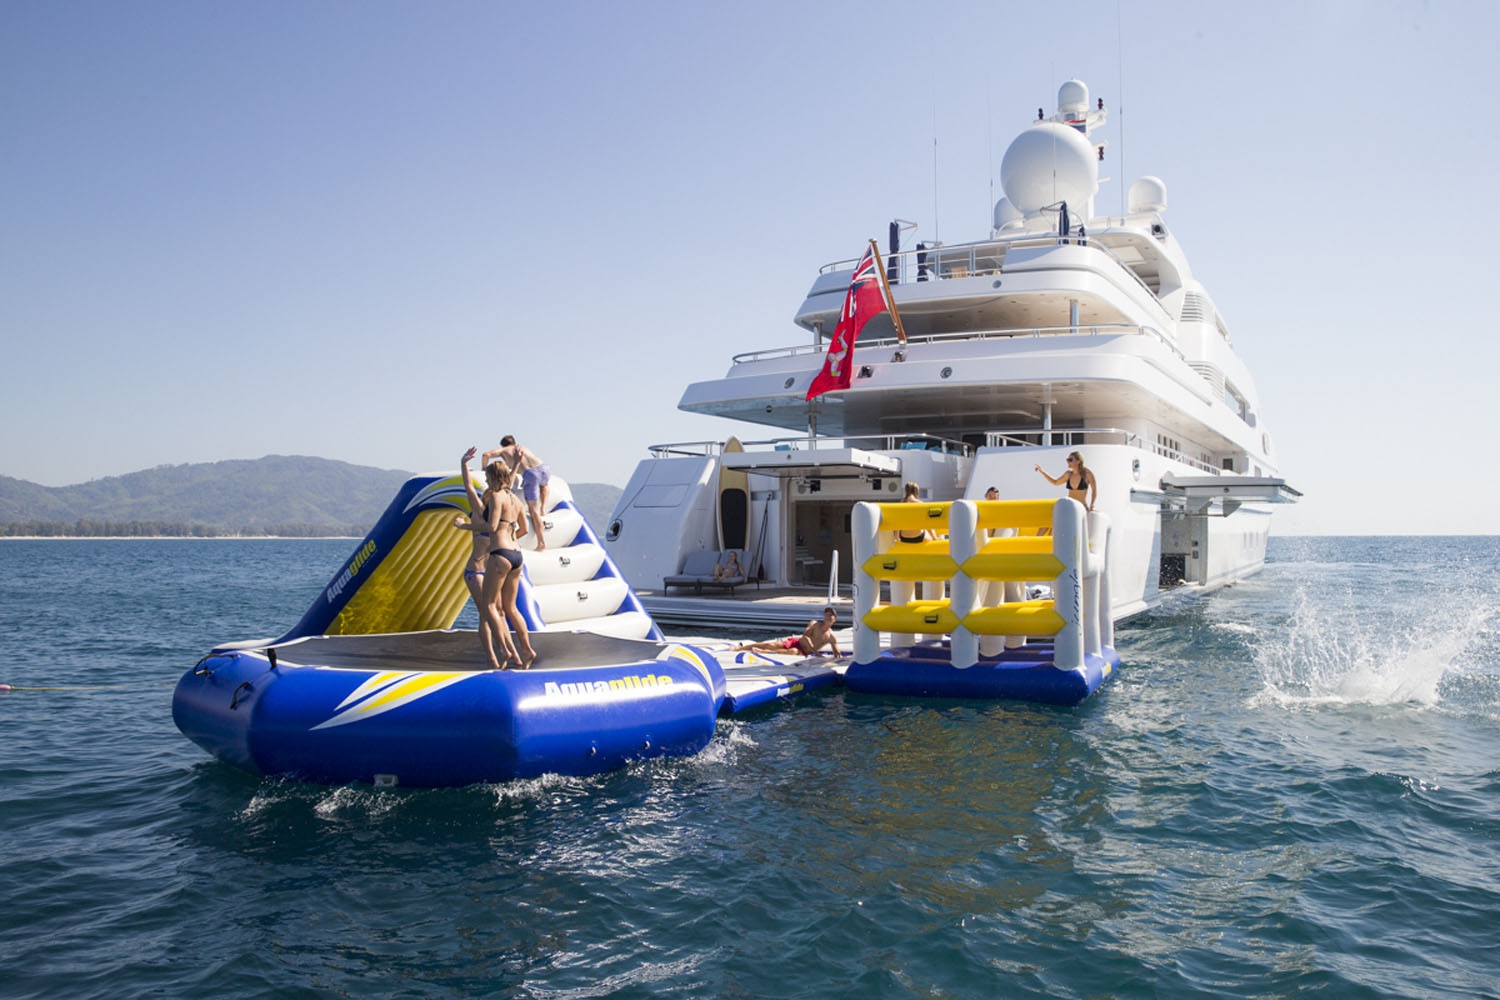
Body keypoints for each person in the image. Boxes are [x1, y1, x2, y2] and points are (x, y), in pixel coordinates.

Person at [460, 448, 537, 669]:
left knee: (489, 608)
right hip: (515, 555)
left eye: (488, 481)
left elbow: (492, 526)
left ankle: (502, 652)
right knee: (507, 609)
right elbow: (523, 527)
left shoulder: (494, 501)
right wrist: (516, 464)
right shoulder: (511, 501)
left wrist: (464, 526)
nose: (486, 487)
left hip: (497, 558)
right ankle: (524, 650)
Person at [483, 435, 551, 552]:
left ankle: (541, 543)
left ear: (503, 445)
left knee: (533, 511)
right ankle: (543, 508)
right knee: (544, 486)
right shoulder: (522, 447)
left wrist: (483, 468)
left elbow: (486, 455)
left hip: (531, 475)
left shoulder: (504, 450)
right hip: (544, 468)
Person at [732, 607, 842, 657]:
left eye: (830, 615)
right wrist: (816, 652)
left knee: (793, 651)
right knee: (771, 645)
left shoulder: (831, 637)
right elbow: (805, 637)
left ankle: (764, 652)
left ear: (835, 620)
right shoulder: (814, 624)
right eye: (826, 614)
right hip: (797, 642)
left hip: (804, 652)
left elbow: (837, 653)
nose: (827, 616)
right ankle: (740, 648)